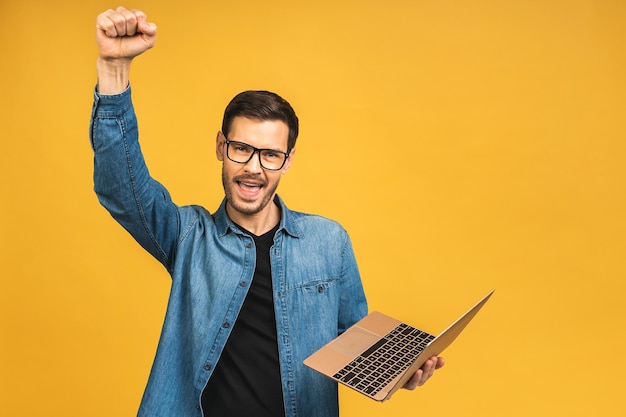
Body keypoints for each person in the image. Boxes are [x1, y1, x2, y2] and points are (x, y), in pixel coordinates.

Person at [90, 6, 444, 417]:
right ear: (222, 147)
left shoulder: (329, 241)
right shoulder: (187, 235)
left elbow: (353, 345)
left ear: (288, 160)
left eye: (270, 154)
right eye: (242, 149)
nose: (253, 167)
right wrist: (113, 70)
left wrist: (399, 371)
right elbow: (120, 187)